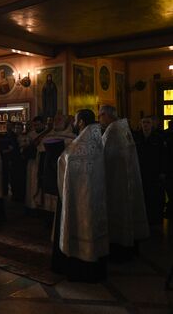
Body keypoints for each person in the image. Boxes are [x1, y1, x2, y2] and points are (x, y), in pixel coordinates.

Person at [53, 109, 108, 282]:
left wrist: (59, 156)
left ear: (82, 122)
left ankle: (80, 269)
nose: (74, 124)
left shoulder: (81, 144)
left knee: (81, 228)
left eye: (76, 120)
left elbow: (67, 160)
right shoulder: (96, 137)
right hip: (94, 194)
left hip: (81, 197)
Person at [99, 105, 149, 261]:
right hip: (127, 179)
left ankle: (120, 251)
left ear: (107, 115)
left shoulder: (113, 131)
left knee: (118, 214)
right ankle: (131, 247)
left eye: (100, 115)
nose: (100, 119)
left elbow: (105, 157)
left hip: (116, 182)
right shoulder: (124, 128)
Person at [134, 116, 167, 225]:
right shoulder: (137, 137)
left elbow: (163, 156)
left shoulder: (158, 138)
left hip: (154, 172)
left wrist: (162, 171)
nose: (145, 125)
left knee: (155, 196)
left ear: (152, 124)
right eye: (143, 122)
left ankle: (155, 219)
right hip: (141, 171)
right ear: (140, 124)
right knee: (143, 196)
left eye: (148, 122)